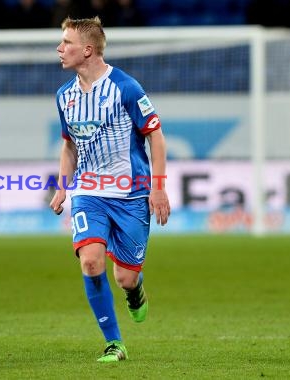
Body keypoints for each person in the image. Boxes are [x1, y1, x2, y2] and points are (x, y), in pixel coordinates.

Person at [49, 16, 170, 363]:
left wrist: (158, 188)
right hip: (89, 191)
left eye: (67, 43)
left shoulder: (126, 87)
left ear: (87, 50)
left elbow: (156, 136)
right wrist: (62, 187)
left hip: (131, 193)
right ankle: (114, 343)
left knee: (126, 277)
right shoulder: (64, 96)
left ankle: (135, 293)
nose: (59, 48)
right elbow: (69, 145)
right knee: (90, 261)